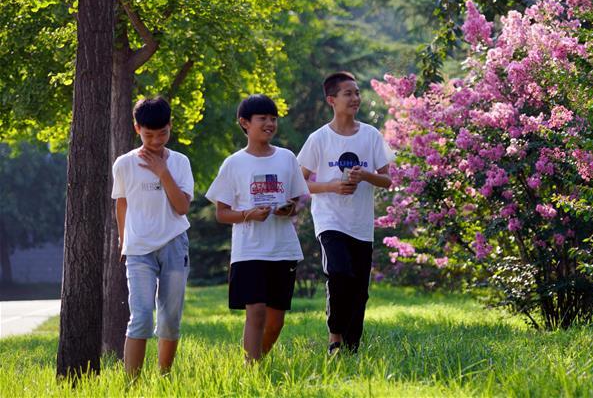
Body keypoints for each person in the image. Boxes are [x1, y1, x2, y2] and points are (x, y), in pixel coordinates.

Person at [206, 94, 309, 362]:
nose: (269, 124)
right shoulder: (233, 163)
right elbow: (222, 213)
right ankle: (251, 371)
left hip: (283, 249)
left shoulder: (287, 158)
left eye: (273, 119)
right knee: (257, 312)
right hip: (249, 250)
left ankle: (257, 360)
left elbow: (300, 198)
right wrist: (248, 214)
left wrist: (292, 209)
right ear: (244, 122)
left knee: (276, 322)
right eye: (262, 118)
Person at [296, 72, 393, 355]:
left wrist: (365, 176)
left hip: (361, 224)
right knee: (338, 273)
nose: (355, 98)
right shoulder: (319, 138)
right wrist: (332, 186)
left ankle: (351, 348)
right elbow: (299, 180)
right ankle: (334, 337)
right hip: (330, 220)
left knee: (359, 289)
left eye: (357, 93)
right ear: (332, 100)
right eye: (347, 93)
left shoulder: (371, 135)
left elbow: (387, 180)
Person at [112, 96, 194, 378]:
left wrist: (163, 172)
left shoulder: (180, 162)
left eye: (163, 133)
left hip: (174, 244)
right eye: (149, 134)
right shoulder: (123, 164)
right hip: (138, 251)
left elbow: (182, 207)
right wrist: (123, 241)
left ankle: (164, 378)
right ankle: (131, 385)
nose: (157, 140)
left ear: (171, 126)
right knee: (142, 317)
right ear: (137, 129)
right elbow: (121, 204)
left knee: (170, 318)